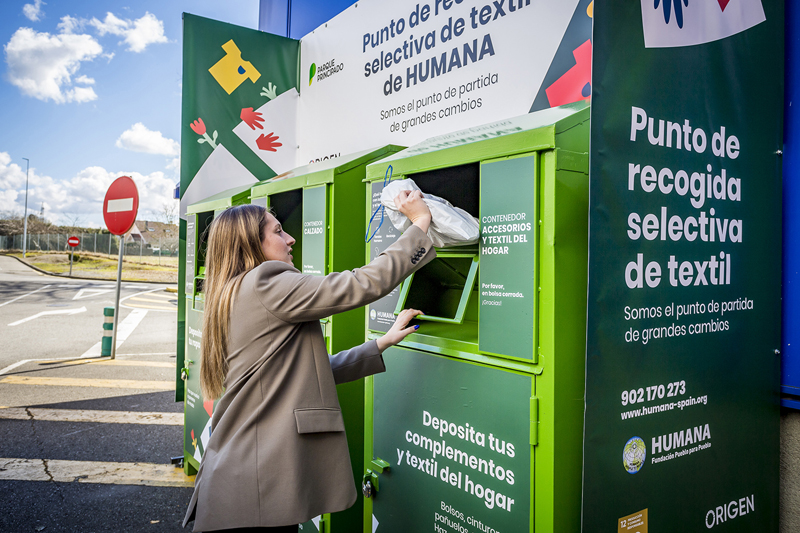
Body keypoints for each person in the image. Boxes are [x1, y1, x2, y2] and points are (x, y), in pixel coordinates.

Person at [183, 190, 436, 532]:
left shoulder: (231, 291)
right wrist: (420, 223)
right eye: (277, 231)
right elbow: (361, 284)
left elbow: (299, 376)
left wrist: (380, 344)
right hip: (257, 483)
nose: (290, 238)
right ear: (250, 244)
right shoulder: (265, 282)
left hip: (242, 477)